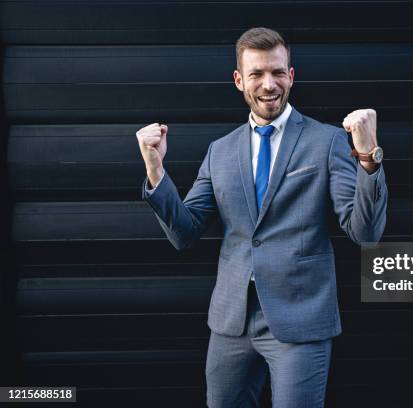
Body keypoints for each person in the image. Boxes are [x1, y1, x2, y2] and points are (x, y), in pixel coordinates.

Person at [136, 27, 387, 408]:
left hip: (300, 321)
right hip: (230, 324)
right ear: (239, 80)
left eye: (277, 72)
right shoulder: (219, 151)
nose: (268, 84)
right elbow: (184, 233)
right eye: (256, 74)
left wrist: (368, 157)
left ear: (291, 75)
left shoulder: (327, 141)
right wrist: (155, 169)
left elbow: (364, 231)